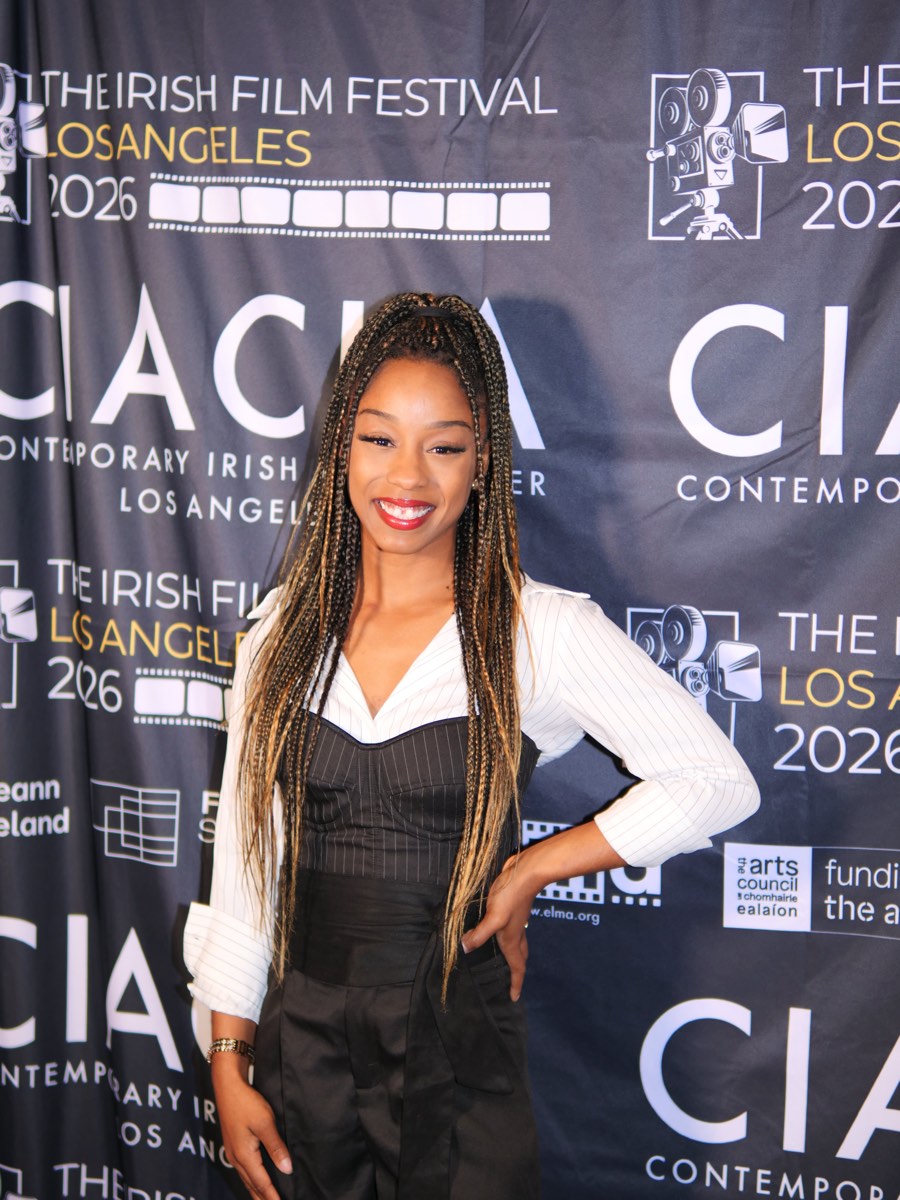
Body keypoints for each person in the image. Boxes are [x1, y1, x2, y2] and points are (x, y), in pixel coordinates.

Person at [183, 292, 759, 1200]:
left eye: (444, 447)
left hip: (457, 1052)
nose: (406, 477)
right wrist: (228, 1055)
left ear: (483, 461)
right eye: (378, 439)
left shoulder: (538, 630)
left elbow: (714, 780)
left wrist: (531, 869)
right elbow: (248, 872)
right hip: (302, 1057)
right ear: (341, 448)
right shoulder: (281, 637)